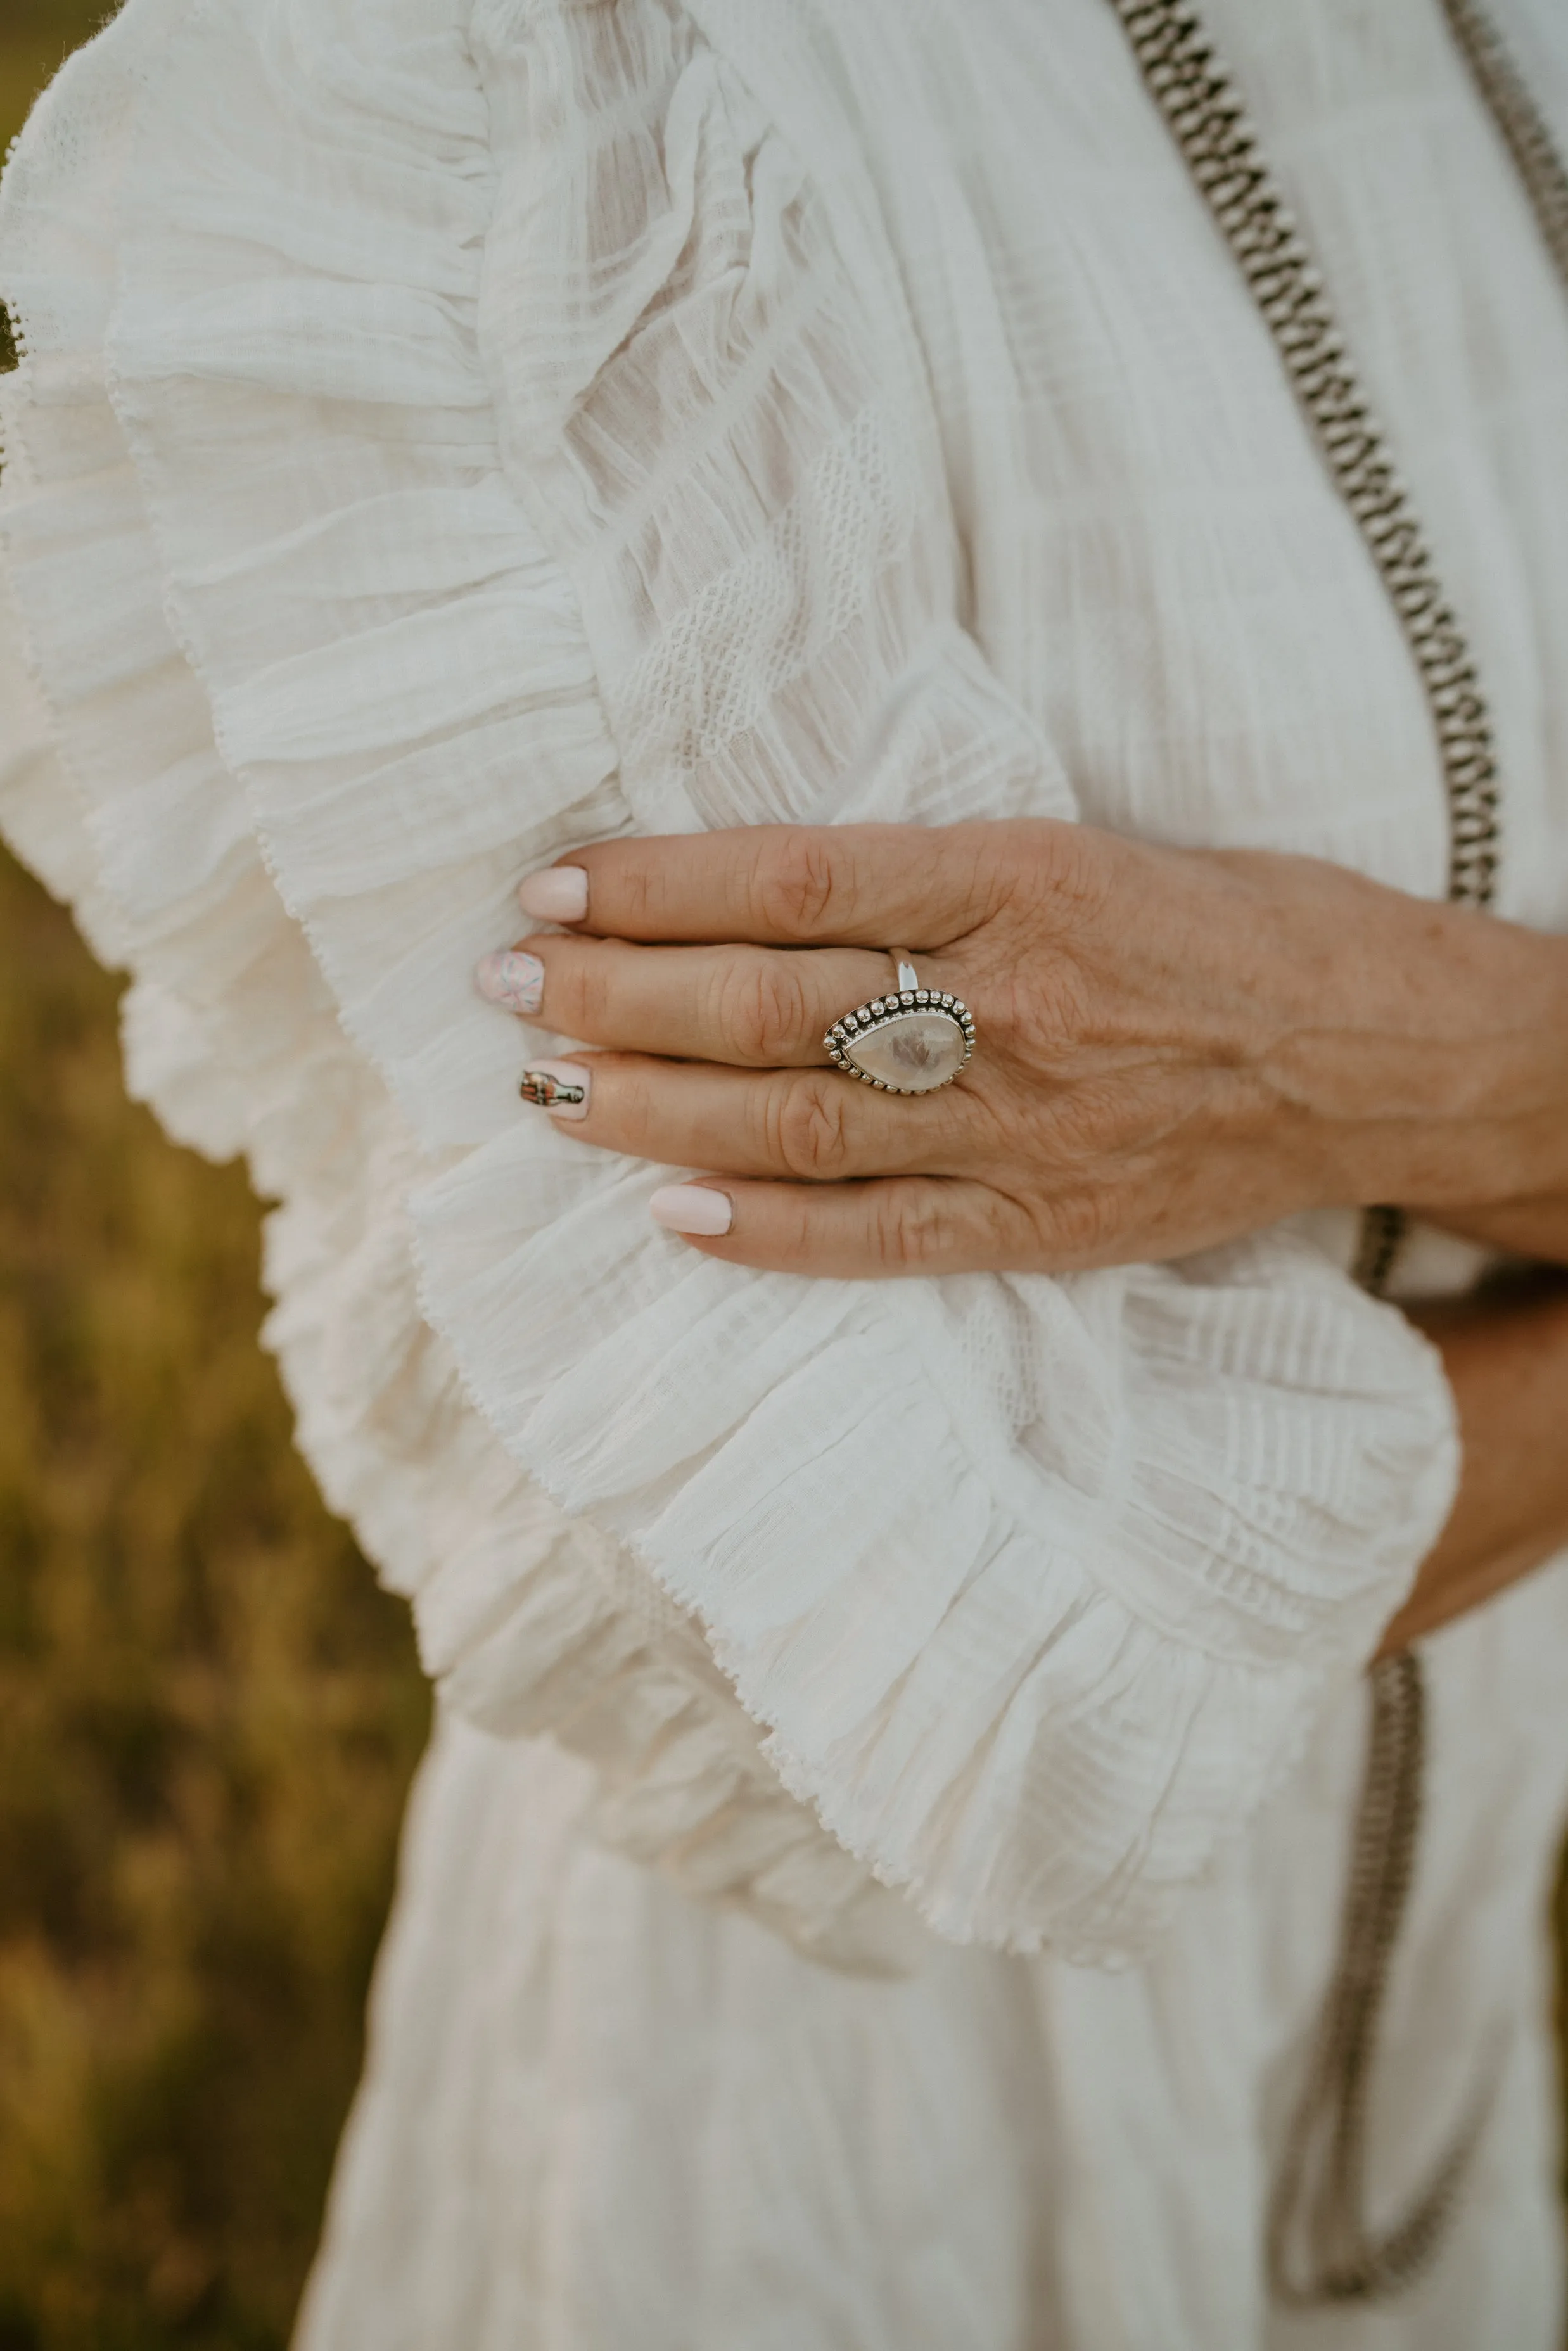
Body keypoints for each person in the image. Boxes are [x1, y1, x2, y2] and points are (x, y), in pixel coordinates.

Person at [2, 0, 1566, 2342]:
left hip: (1453, 1950)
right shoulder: (568, 114)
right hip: (873, 2145)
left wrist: (1339, 1037)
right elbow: (911, 1670)